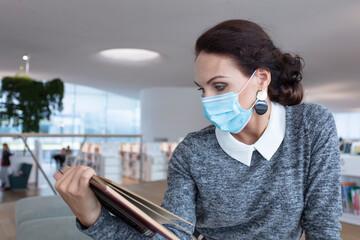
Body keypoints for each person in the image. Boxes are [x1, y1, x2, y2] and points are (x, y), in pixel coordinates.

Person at [53, 19, 342, 239]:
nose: (208, 100)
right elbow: (173, 235)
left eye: (219, 86)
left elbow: (323, 226)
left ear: (261, 79)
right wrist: (92, 215)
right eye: (202, 89)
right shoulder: (192, 152)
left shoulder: (312, 126)